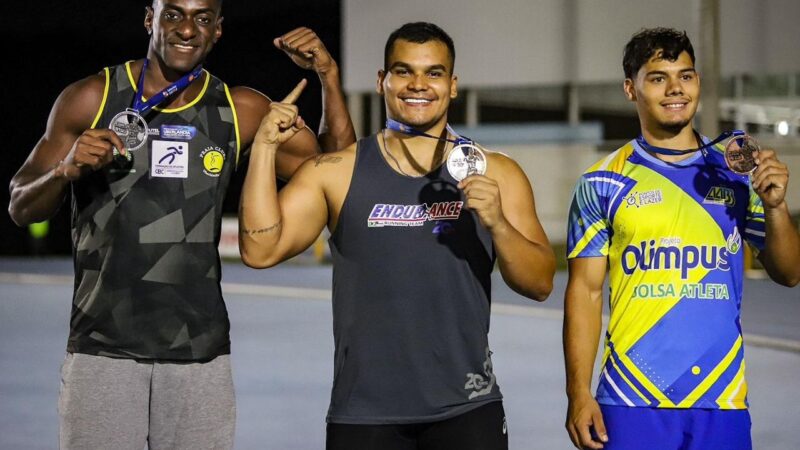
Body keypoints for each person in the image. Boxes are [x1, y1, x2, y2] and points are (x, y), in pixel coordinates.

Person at [7, 0, 355, 448]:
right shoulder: (93, 97)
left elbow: (336, 169)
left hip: (199, 355)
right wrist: (64, 171)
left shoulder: (240, 109)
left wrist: (329, 77)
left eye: (202, 18)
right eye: (173, 14)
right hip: (101, 351)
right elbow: (20, 205)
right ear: (150, 19)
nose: (187, 29)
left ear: (217, 30)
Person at [238, 21, 555, 450]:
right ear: (382, 81)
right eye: (403, 71)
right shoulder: (339, 171)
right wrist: (263, 149)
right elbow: (259, 249)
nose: (418, 84)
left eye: (434, 73)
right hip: (364, 413)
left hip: (467, 408)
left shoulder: (497, 172)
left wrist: (498, 222)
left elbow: (539, 283)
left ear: (453, 85)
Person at [563, 27, 800, 450]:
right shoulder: (601, 182)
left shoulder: (737, 173)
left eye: (686, 76)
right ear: (630, 89)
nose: (676, 89)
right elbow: (585, 292)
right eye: (658, 78)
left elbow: (789, 273)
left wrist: (778, 208)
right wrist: (578, 394)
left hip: (721, 398)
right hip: (630, 398)